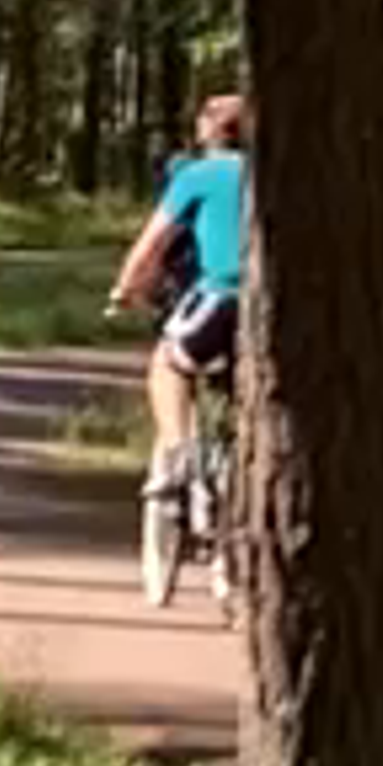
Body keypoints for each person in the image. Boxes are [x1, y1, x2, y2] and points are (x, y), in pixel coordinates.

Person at [112, 87, 249, 521]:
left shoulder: (198, 176)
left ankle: (176, 455)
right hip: (271, 309)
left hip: (220, 295)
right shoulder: (279, 175)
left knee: (168, 363)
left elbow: (153, 243)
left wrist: (125, 289)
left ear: (210, 130)